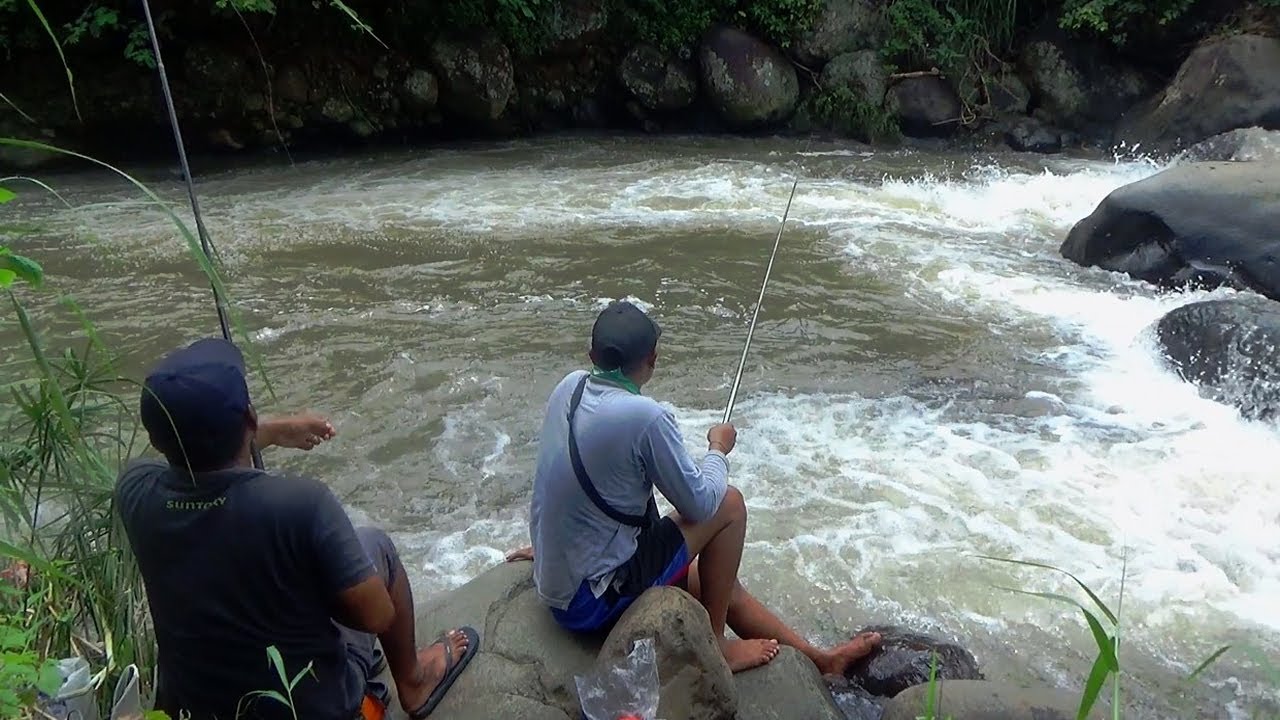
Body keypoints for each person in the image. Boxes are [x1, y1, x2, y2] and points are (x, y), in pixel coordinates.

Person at [506, 301, 882, 673]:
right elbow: (702, 505)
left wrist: (551, 546)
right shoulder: (645, 417)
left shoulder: (569, 387)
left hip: (561, 581)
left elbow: (554, 477)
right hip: (590, 603)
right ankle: (715, 646)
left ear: (592, 354)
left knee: (714, 581)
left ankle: (822, 661)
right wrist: (718, 448)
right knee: (730, 504)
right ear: (652, 360)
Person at [115, 338, 478, 720]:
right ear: (249, 418)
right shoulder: (302, 504)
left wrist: (268, 431)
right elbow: (376, 617)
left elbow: (182, 459)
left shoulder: (135, 490)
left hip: (193, 708)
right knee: (375, 545)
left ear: (155, 438)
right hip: (310, 707)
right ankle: (414, 682)